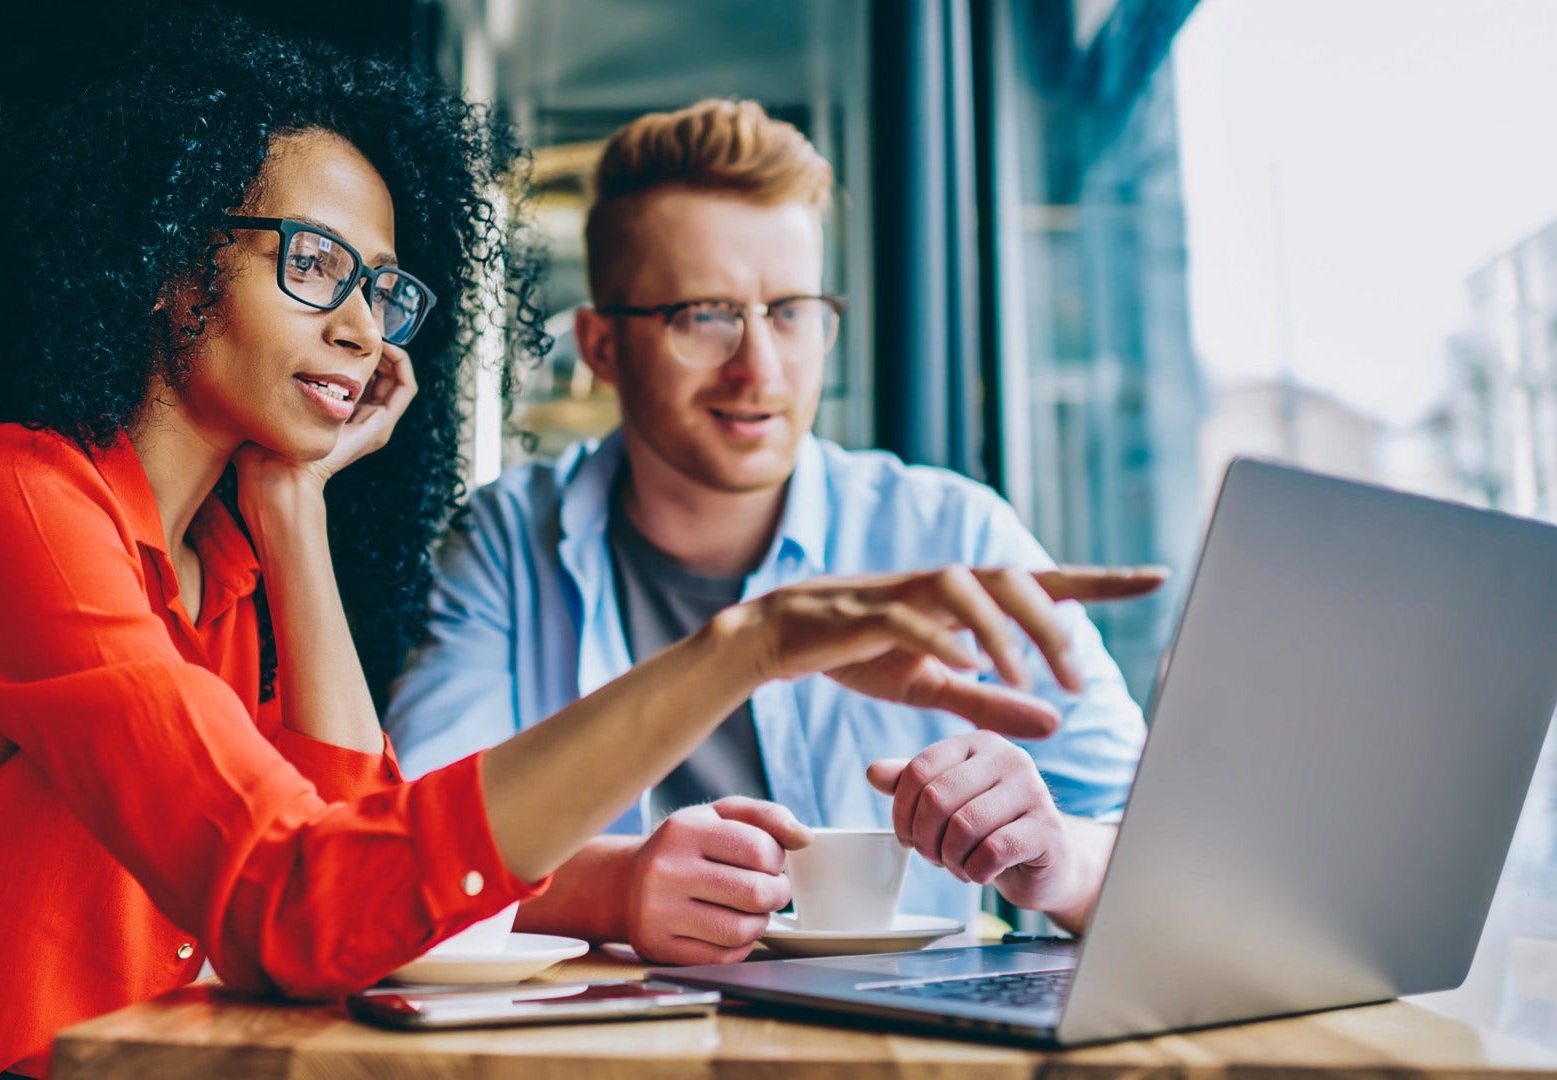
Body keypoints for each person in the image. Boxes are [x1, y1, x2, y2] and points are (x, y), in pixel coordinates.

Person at [0, 25, 1158, 1077]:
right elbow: (305, 902)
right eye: (312, 264)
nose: (360, 326)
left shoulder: (230, 561)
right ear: (157, 262)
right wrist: (744, 649)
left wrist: (298, 512)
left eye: (383, 286)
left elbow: (354, 872)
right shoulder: (16, 506)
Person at [384, 99, 1157, 966]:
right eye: (704, 315)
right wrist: (617, 886)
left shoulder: (951, 532)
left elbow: (1167, 847)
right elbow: (406, 852)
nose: (761, 367)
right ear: (601, 346)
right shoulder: (506, 541)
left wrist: (1059, 860)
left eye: (790, 311)